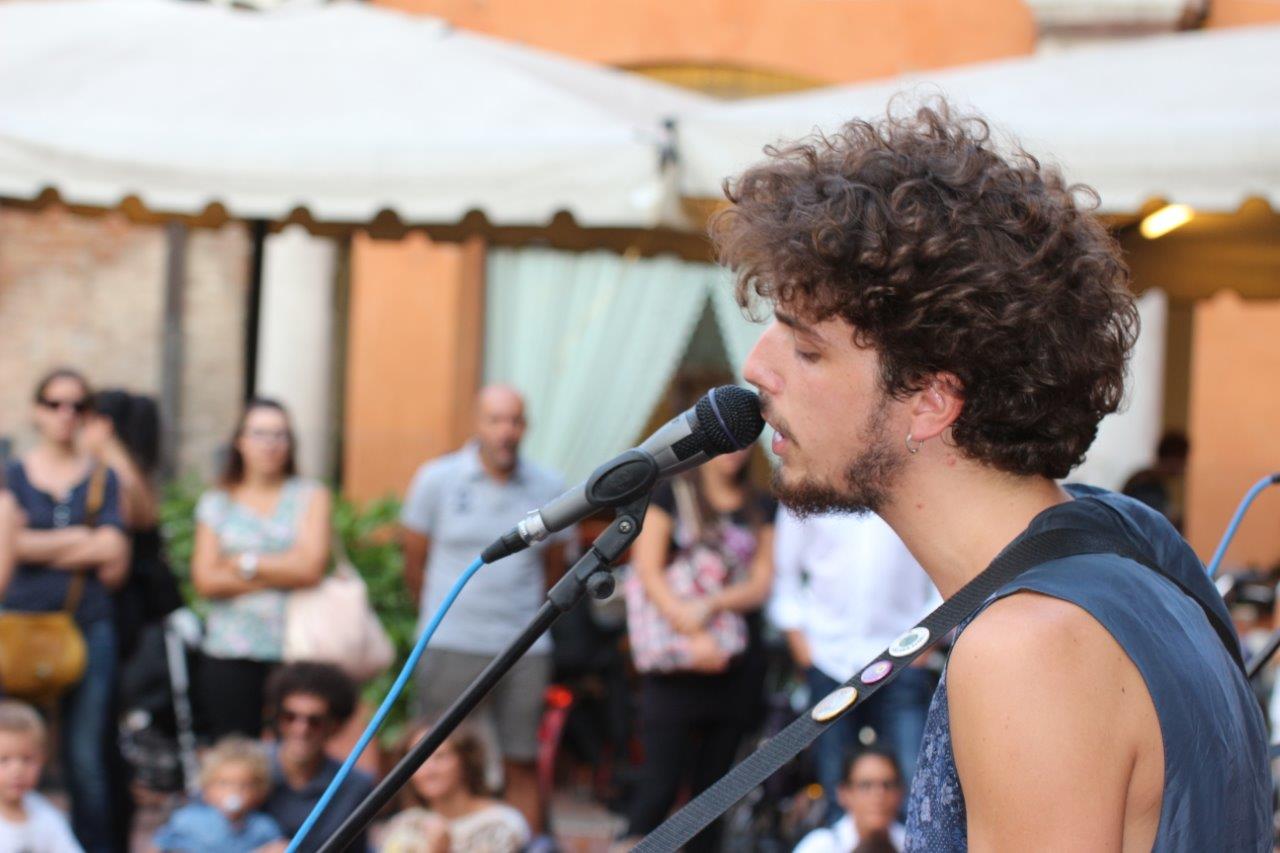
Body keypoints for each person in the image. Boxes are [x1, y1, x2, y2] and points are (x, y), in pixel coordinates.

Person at [720, 100, 1268, 849]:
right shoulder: (1132, 547)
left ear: (931, 399)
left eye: (808, 349)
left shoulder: (1030, 647)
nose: (757, 367)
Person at [399, 384, 569, 833]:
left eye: (514, 421)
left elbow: (556, 568)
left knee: (522, 760)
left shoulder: (549, 485)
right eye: (495, 420)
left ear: (525, 427)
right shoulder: (436, 479)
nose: (505, 431)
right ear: (477, 423)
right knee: (436, 759)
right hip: (451, 641)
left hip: (524, 647)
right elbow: (413, 561)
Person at [621, 445, 776, 852]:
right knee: (658, 785)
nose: (735, 451)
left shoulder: (760, 504)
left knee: (712, 796)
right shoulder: (671, 494)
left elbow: (761, 583)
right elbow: (648, 570)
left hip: (734, 661)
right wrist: (689, 630)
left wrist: (712, 606)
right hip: (676, 661)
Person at [4, 368, 129, 852]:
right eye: (55, 403)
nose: (65, 414)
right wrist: (80, 538)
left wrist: (31, 543)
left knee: (85, 757)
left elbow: (114, 554)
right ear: (37, 410)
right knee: (10, 752)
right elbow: (7, 548)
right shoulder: (12, 474)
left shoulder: (102, 477)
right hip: (16, 628)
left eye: (77, 405)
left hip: (86, 624)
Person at [770, 509, 937, 821]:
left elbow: (945, 567)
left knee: (914, 787)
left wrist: (927, 641)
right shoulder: (813, 485)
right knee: (836, 787)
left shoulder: (919, 486)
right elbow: (785, 576)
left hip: (903, 654)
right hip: (828, 658)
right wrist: (804, 651)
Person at [191, 398, 332, 738]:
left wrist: (244, 563)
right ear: (240, 441)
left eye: (279, 435)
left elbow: (311, 568)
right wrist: (284, 572)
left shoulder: (310, 495)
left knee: (295, 749)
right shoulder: (217, 501)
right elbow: (206, 580)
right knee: (236, 750)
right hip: (230, 649)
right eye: (260, 434)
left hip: (296, 647)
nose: (270, 444)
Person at [262, 662, 376, 853]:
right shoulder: (242, 767)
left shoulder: (353, 787)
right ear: (277, 718)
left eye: (314, 721)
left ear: (335, 726)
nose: (301, 729)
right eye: (290, 717)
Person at [379, 722, 530, 853]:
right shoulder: (404, 825)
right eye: (418, 761)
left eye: (440, 757)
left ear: (466, 760)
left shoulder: (500, 823)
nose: (428, 769)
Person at [152, 736, 284, 853]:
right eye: (224, 783)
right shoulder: (187, 820)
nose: (234, 790)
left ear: (259, 792)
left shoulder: (264, 828)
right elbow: (159, 846)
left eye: (244, 785)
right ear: (207, 789)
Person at [0, 700, 83, 853]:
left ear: (42, 760)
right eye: (4, 760)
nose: (17, 770)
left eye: (27, 759)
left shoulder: (47, 816)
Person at [794, 748, 907, 853]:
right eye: (866, 785)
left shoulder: (912, 844)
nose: (878, 794)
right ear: (844, 793)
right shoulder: (819, 847)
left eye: (887, 785)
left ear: (901, 792)